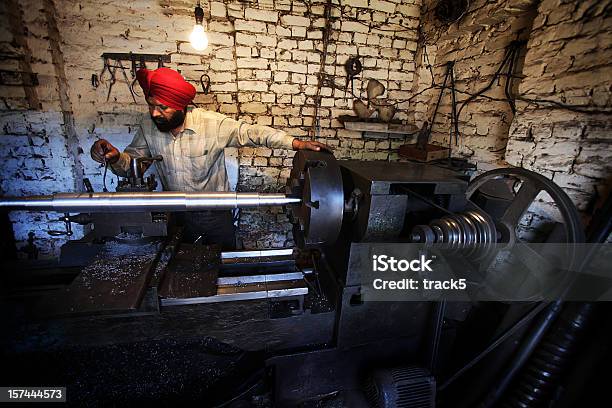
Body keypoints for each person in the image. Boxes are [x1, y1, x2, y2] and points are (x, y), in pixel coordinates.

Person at [91, 67, 331, 249]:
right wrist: (113, 158)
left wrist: (296, 143)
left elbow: (252, 132)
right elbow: (133, 166)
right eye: (151, 105)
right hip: (176, 214)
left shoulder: (211, 124)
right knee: (183, 267)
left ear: (181, 107)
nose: (155, 113)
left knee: (221, 265)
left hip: (215, 215)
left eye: (163, 108)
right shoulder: (148, 127)